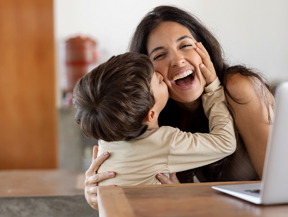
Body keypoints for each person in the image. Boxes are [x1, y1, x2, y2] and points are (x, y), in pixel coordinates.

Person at [84, 5, 274, 209]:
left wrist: (213, 90)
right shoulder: (150, 122)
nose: (177, 60)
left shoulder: (237, 88)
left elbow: (279, 191)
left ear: (204, 49)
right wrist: (95, 194)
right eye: (159, 56)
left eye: (185, 45)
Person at [74, 52, 236, 186]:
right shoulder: (163, 141)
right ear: (150, 115)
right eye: (158, 81)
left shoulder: (108, 135)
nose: (160, 75)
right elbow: (225, 143)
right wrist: (213, 89)